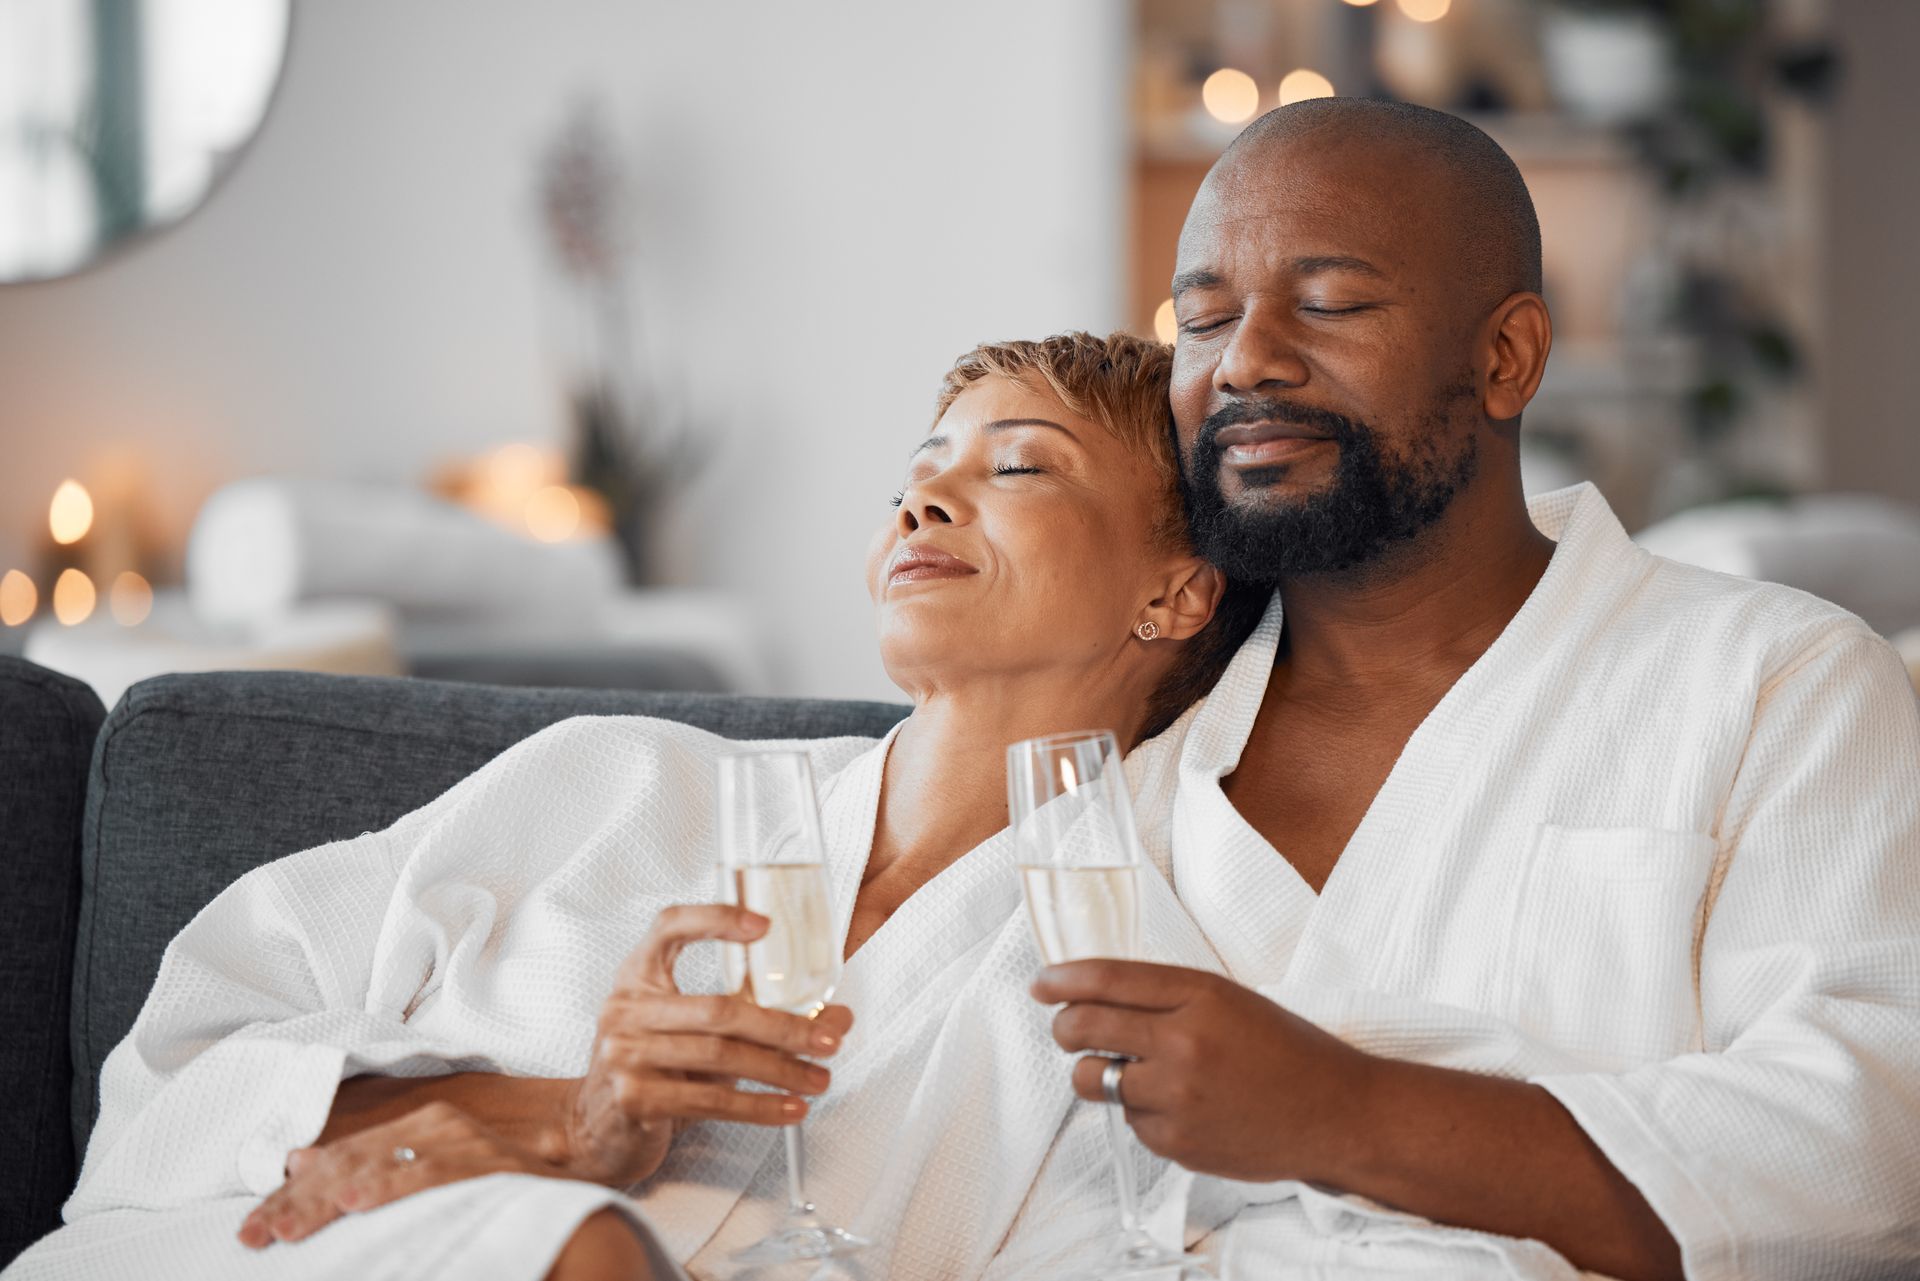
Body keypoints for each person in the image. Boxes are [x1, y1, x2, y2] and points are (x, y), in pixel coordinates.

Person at [5, 333, 1259, 1281]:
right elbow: (179, 1066)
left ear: (1177, 593)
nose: (922, 504)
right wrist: (561, 1120)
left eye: (1020, 465)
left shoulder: (1137, 967)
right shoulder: (611, 782)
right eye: (915, 478)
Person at [1033, 99, 1920, 1280]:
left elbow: (1870, 1154)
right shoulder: (1135, 724)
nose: (1244, 360)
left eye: (1329, 303)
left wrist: (1344, 1114)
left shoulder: (1777, 683)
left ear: (1506, 358)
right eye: (1201, 319)